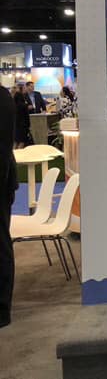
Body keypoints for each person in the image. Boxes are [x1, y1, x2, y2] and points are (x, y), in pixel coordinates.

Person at [0, 84, 18, 327]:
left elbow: (3, 149)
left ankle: (2, 310)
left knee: (1, 245)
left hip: (1, 184)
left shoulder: (2, 98)